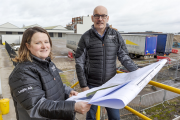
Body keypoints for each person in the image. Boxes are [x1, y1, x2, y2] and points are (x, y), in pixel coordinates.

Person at [9, 27, 91, 120]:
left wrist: (68, 92)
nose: (44, 46)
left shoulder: (48, 63)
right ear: (28, 46)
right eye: (38, 43)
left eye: (46, 42)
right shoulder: (22, 74)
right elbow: (37, 106)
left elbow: (56, 84)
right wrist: (72, 107)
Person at [75, 5, 138, 120]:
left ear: (107, 18)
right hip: (92, 86)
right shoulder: (86, 37)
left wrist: (137, 71)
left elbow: (124, 56)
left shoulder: (115, 35)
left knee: (115, 117)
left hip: (110, 85)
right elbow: (79, 62)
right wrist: (84, 86)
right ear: (92, 18)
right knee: (91, 116)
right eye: (97, 16)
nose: (100, 19)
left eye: (103, 16)